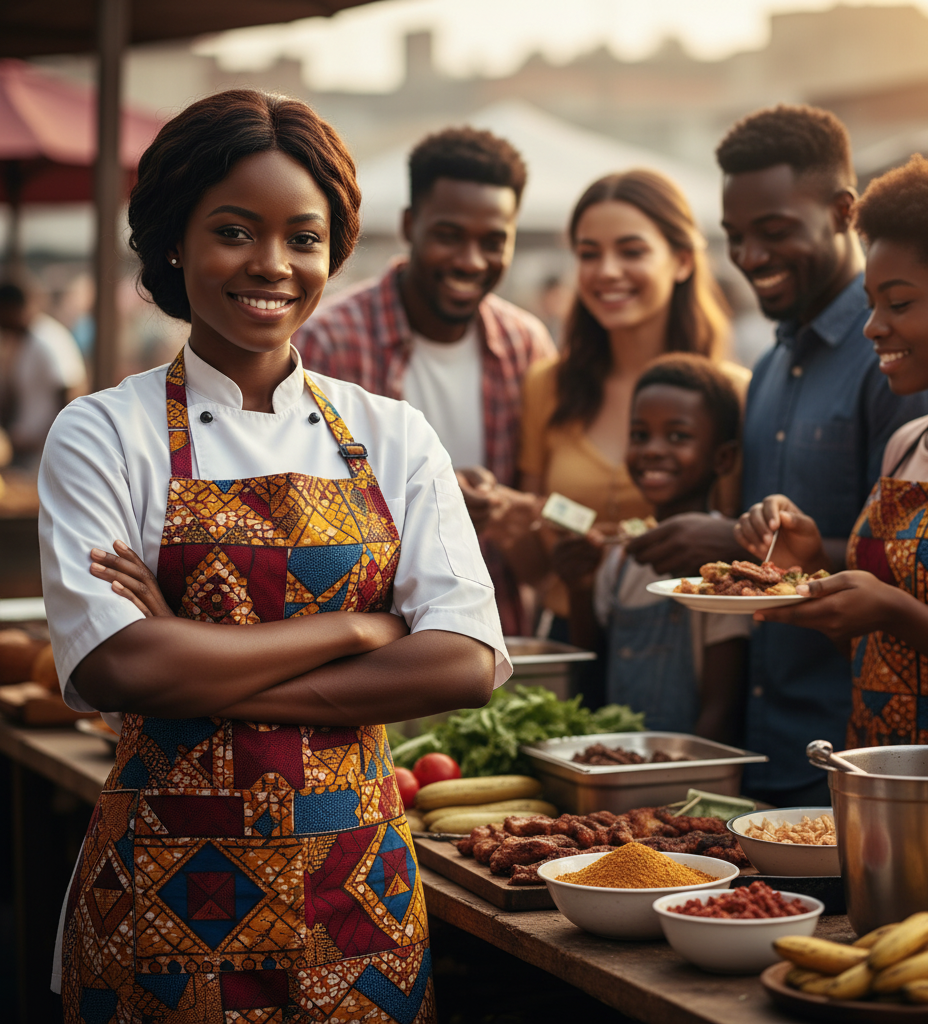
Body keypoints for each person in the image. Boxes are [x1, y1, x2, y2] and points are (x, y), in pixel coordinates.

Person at [40, 90, 509, 1022]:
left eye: (303, 236)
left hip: (358, 903)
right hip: (158, 902)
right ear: (174, 240)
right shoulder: (101, 433)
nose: (272, 264)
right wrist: (360, 627)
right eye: (234, 231)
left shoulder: (391, 433)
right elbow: (119, 662)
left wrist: (195, 664)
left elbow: (467, 660)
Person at [625, 106, 928, 805]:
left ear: (843, 212)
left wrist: (733, 549)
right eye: (735, 237)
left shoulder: (894, 363)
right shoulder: (767, 366)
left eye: (773, 232)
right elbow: (767, 542)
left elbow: (918, 571)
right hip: (759, 744)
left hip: (857, 749)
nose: (750, 256)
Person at [737, 154, 928, 751]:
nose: (872, 327)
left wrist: (896, 611)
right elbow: (872, 652)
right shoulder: (907, 443)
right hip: (882, 793)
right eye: (871, 303)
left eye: (899, 303)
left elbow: (898, 621)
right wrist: (809, 562)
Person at [294, 127, 555, 635]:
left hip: (490, 639)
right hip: (364, 642)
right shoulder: (326, 343)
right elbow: (297, 517)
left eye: (493, 241)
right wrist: (425, 498)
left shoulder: (527, 347)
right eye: (449, 235)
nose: (470, 260)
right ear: (410, 226)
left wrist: (509, 513)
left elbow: (538, 540)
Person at [517, 169, 746, 644]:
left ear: (682, 260)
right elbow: (534, 565)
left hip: (692, 642)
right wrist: (510, 519)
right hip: (571, 636)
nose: (606, 271)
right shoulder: (548, 385)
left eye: (632, 250)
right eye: (589, 253)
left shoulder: (733, 393)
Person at [554, 353, 749, 740]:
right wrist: (579, 587)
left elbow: (722, 706)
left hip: (688, 770)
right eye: (640, 435)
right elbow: (592, 669)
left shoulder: (722, 571)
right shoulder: (621, 558)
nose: (653, 450)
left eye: (678, 436)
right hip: (622, 761)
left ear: (723, 458)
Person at [0, 281, 87, 473]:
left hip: (46, 456)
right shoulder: (26, 343)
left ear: (11, 309)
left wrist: (44, 439)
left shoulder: (48, 340)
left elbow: (72, 394)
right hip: (27, 456)